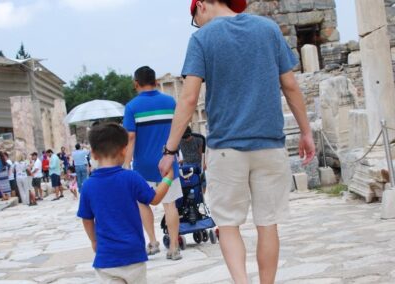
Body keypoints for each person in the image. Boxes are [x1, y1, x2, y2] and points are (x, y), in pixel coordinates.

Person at [158, 1, 316, 283]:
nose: (197, 23)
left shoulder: (202, 39)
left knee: (229, 226)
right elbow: (290, 85)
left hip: (227, 148)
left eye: (195, 17)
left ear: (202, 5)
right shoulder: (267, 30)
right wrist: (306, 131)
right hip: (269, 144)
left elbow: (189, 98)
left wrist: (170, 149)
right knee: (268, 224)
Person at [77, 123, 174, 283]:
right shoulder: (131, 178)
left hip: (106, 258)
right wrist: (168, 179)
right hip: (133, 255)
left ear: (93, 154)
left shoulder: (88, 185)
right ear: (124, 150)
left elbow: (87, 219)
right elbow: (155, 199)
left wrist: (94, 241)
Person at [123, 66, 183, 261]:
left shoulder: (132, 107)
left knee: (142, 203)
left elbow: (130, 137)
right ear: (156, 81)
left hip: (143, 165)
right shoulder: (170, 102)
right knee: (170, 205)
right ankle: (174, 247)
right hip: (167, 161)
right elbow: (177, 128)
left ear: (136, 84)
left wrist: (125, 164)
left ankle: (153, 242)